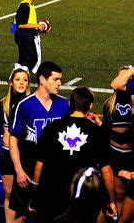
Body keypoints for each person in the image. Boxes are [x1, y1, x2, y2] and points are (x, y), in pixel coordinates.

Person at [32, 86, 116, 222]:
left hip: (52, 194)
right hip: (83, 197)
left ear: (70, 104)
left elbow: (39, 165)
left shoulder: (51, 128)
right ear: (90, 106)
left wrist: (34, 194)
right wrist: (110, 200)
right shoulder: (98, 132)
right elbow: (106, 171)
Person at [8, 61, 70, 221]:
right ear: (42, 80)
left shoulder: (64, 104)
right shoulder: (25, 105)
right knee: (21, 215)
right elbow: (13, 139)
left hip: (55, 170)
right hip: (28, 167)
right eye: (55, 79)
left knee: (53, 215)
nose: (59, 83)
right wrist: (19, 170)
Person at [0, 66, 30, 223]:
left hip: (26, 155)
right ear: (10, 83)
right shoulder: (2, 105)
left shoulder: (32, 104)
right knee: (9, 193)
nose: (21, 83)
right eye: (17, 79)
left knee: (24, 193)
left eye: (25, 80)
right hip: (6, 154)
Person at [103, 65, 134, 218]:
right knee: (120, 194)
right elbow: (107, 131)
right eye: (122, 77)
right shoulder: (109, 104)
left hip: (131, 155)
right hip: (115, 154)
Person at [12, 0, 49, 74]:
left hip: (26, 35)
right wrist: (37, 25)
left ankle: (19, 75)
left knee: (26, 59)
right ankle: (18, 76)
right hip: (24, 36)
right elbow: (21, 25)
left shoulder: (29, 5)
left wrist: (39, 27)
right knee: (31, 58)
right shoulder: (25, 6)